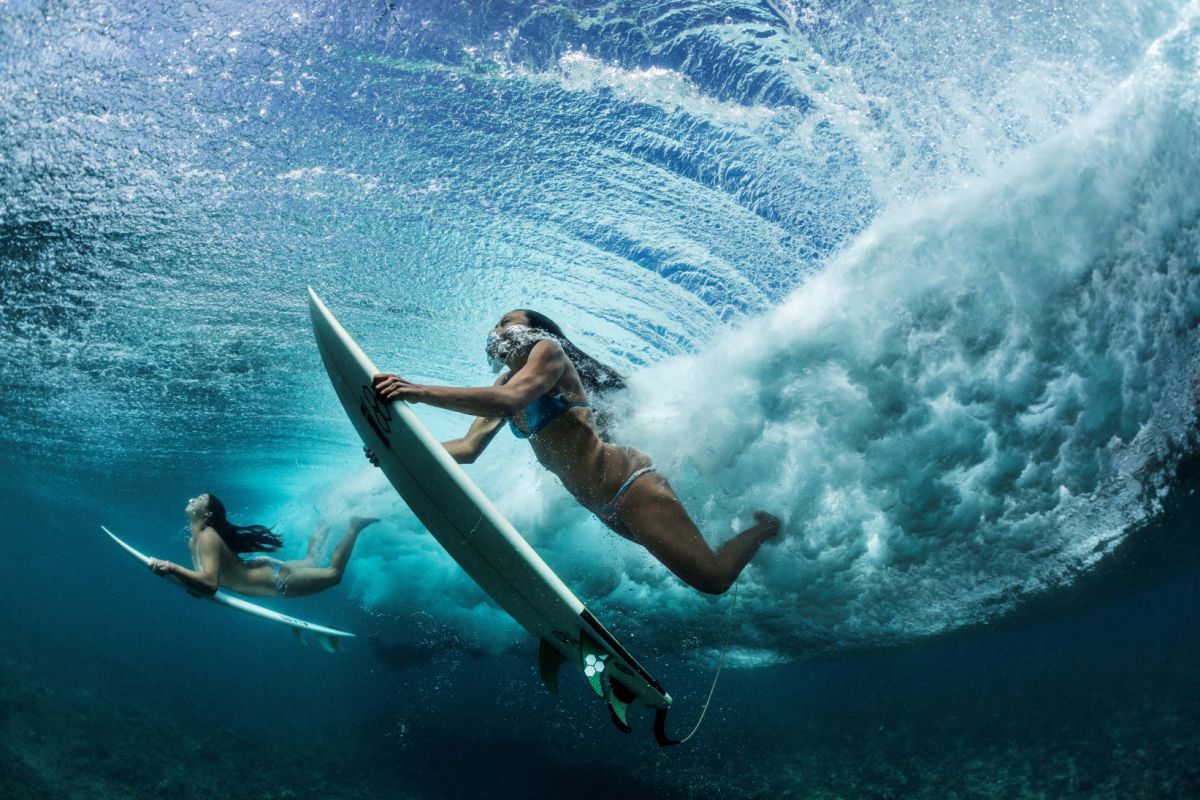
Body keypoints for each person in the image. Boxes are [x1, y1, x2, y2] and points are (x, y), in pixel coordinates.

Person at [369, 310, 779, 595]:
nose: (497, 329)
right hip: (604, 507)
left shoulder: (547, 353)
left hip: (630, 485)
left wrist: (417, 391)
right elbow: (468, 447)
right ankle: (735, 532)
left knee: (713, 580)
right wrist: (397, 452)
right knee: (696, 568)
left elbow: (510, 400)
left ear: (535, 330)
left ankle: (765, 526)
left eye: (507, 321)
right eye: (496, 323)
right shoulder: (503, 380)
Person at [146, 493, 377, 598]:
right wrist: (190, 584)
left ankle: (354, 527)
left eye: (199, 499)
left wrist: (171, 568)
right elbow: (205, 576)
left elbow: (209, 584)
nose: (192, 500)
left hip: (276, 581)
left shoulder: (207, 536)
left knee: (333, 574)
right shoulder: (192, 541)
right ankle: (325, 523)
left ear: (207, 514)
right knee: (311, 561)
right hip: (263, 570)